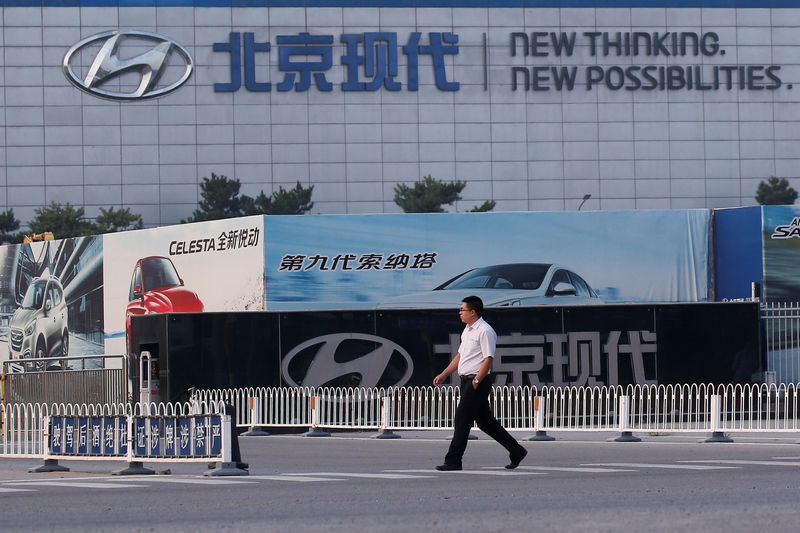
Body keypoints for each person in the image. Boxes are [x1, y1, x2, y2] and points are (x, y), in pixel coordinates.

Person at [433, 295, 527, 471]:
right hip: (466, 380)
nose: (460, 313)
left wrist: (477, 380)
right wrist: (445, 373)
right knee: (485, 422)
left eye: (463, 310)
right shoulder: (468, 330)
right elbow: (461, 356)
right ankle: (516, 450)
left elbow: (488, 358)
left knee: (462, 419)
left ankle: (453, 460)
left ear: (473, 312)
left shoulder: (485, 330)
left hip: (477, 382)